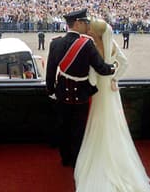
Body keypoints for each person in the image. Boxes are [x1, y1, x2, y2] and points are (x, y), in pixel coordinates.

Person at [74, 18, 150, 191]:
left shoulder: (93, 48)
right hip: (111, 89)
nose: (89, 31)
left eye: (91, 30)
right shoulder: (113, 45)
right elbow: (124, 63)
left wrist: (89, 84)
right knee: (114, 121)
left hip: (100, 91)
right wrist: (115, 78)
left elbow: (93, 77)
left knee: (99, 119)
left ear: (95, 33)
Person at [46, 9, 116, 168]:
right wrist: (113, 68)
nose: (87, 25)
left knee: (63, 127)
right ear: (77, 23)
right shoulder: (87, 44)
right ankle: (76, 162)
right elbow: (102, 69)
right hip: (81, 96)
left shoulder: (55, 43)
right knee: (78, 130)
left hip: (62, 93)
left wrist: (51, 91)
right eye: (85, 23)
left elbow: (50, 72)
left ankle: (65, 159)